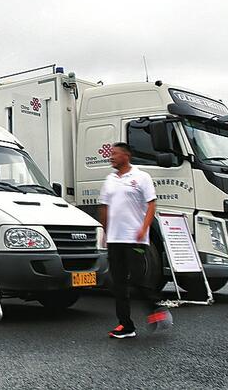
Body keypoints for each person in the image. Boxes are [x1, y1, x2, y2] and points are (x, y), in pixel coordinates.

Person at [99, 142, 173, 339]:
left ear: (126, 156)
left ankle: (157, 308)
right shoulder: (110, 179)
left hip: (135, 238)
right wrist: (105, 231)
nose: (111, 156)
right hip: (115, 239)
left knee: (138, 280)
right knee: (118, 284)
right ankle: (126, 326)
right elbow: (104, 207)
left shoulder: (141, 177)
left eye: (115, 153)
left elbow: (151, 205)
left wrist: (144, 228)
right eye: (111, 153)